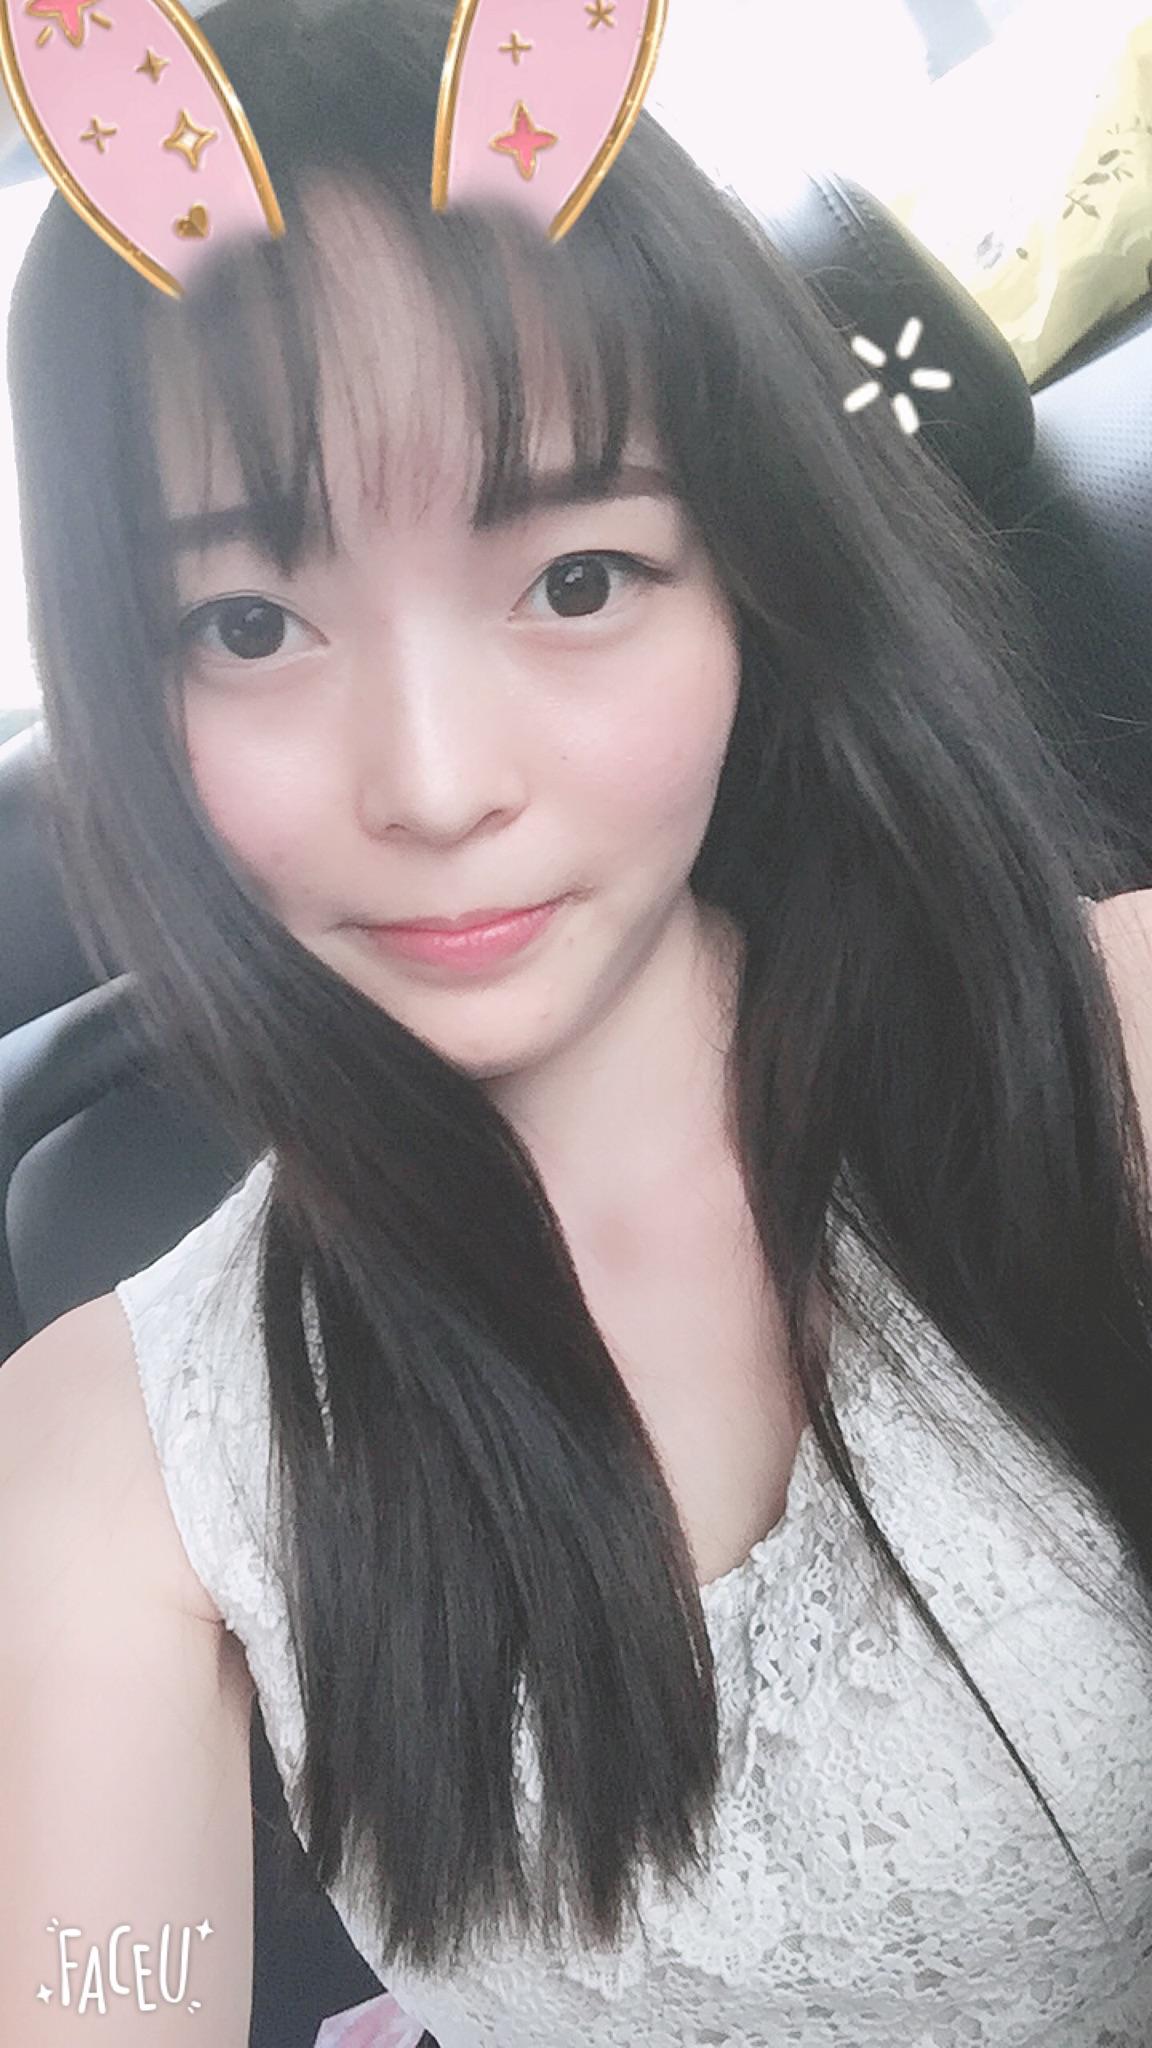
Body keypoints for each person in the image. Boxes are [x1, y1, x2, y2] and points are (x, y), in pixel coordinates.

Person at [4, 0, 1152, 2041]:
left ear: (751, 583)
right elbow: (98, 1989)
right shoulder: (105, 1469)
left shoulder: (1116, 1045)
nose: (437, 782)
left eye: (579, 580)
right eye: (250, 624)